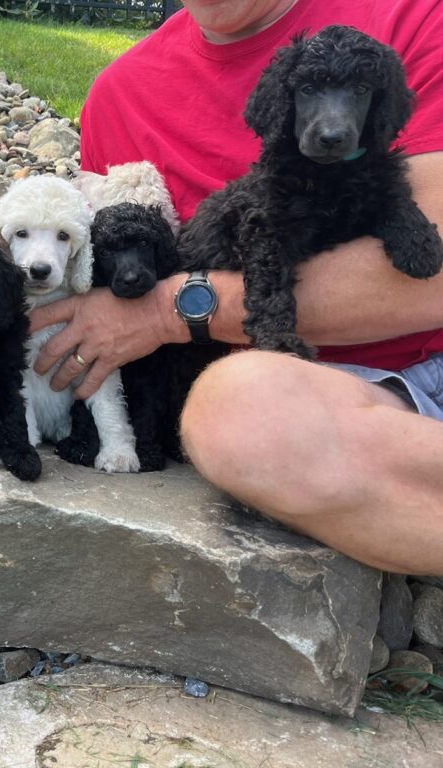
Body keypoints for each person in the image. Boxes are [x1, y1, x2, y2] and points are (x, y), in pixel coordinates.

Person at [30, 0, 443, 575]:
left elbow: (432, 275)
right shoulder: (118, 97)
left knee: (243, 413)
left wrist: (171, 312)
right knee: (245, 415)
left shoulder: (414, 17)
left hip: (425, 366)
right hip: (276, 394)